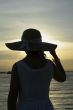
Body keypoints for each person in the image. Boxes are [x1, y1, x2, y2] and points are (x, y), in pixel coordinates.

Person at [5, 28, 66, 110]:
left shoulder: (18, 66)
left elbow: (13, 95)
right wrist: (55, 56)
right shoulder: (49, 64)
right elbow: (62, 78)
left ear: (24, 47)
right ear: (40, 46)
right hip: (46, 107)